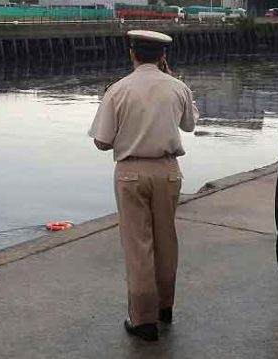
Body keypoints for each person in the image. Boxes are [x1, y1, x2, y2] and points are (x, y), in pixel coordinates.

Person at [88, 30, 198, 342]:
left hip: (131, 172)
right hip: (168, 171)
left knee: (138, 246)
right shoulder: (178, 87)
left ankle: (143, 319)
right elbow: (189, 125)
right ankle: (165, 307)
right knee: (167, 240)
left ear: (132, 54)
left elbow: (101, 142)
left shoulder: (118, 90)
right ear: (163, 56)